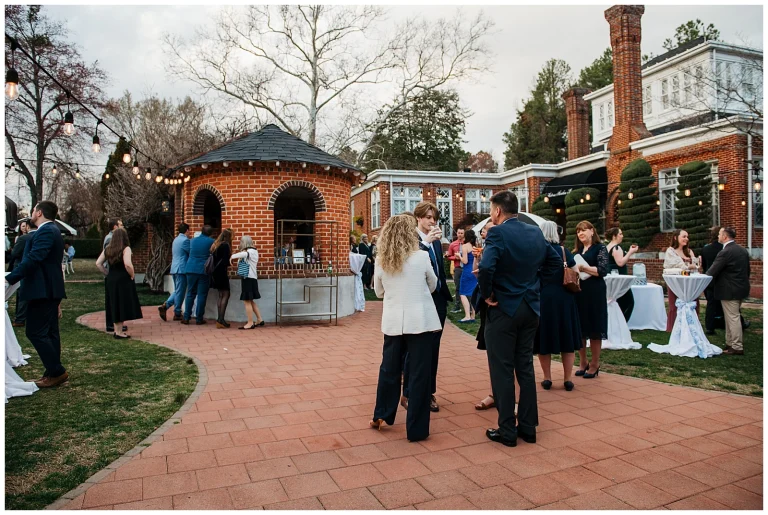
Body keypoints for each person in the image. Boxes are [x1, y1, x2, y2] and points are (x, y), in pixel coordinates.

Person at [478, 191, 558, 447]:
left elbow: (488, 267)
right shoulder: (535, 232)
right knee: (524, 367)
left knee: (501, 369)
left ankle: (507, 430)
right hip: (530, 308)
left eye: (491, 210)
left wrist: (488, 293)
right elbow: (556, 262)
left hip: (504, 309)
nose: (491, 215)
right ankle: (528, 428)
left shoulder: (498, 232)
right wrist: (534, 286)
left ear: (498, 211)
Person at [370, 214, 440, 442]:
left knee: (389, 370)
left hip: (393, 322)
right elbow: (433, 284)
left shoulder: (382, 260)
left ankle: (382, 415)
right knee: (419, 374)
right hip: (420, 321)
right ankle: (417, 429)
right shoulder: (421, 256)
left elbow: (378, 292)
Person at [5, 201, 68, 388]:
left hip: (42, 290)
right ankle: (52, 372)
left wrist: (10, 278)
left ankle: (56, 371)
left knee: (35, 332)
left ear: (39, 213)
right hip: (47, 289)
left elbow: (34, 258)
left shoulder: (47, 231)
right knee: (50, 333)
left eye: (33, 210)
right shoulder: (52, 230)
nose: (31, 213)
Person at [401, 202, 453, 413]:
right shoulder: (410, 239)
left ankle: (429, 392)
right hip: (418, 301)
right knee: (414, 349)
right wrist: (424, 243)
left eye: (435, 218)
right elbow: (407, 265)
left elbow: (438, 272)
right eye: (429, 217)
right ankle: (408, 393)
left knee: (433, 349)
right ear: (418, 218)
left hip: (437, 300)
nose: (432, 222)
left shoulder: (436, 242)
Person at [535, 221, 582, 392]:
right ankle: (567, 379)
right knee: (567, 338)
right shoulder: (564, 251)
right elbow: (576, 271)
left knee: (544, 339)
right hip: (564, 298)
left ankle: (547, 378)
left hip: (544, 299)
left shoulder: (538, 252)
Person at [573, 221, 609, 379]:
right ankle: (583, 361)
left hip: (595, 292)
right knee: (580, 328)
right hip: (580, 293)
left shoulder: (600, 249)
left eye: (584, 230)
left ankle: (595, 363)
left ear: (592, 231)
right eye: (578, 231)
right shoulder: (577, 251)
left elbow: (602, 270)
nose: (581, 233)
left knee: (595, 328)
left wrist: (584, 268)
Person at [707, 227, 751, 355]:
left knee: (732, 317)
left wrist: (704, 280)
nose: (718, 236)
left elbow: (713, 270)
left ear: (725, 237)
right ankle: (730, 343)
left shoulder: (725, 252)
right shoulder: (742, 250)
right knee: (731, 317)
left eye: (720, 234)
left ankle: (736, 346)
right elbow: (747, 271)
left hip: (729, 290)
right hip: (741, 288)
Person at [96, 228, 143, 339]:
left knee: (114, 303)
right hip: (123, 279)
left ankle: (117, 331)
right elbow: (127, 264)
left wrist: (108, 273)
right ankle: (119, 332)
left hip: (111, 279)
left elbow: (98, 263)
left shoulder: (108, 249)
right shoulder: (126, 249)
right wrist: (132, 274)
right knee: (122, 304)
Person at [473, 221, 497, 411]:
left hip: (497, 302)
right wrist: (477, 259)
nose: (484, 232)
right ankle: (494, 392)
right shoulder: (485, 249)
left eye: (487, 229)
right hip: (486, 304)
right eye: (483, 230)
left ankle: (509, 396)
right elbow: (478, 273)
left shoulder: (500, 247)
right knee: (492, 351)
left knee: (506, 354)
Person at [663, 229, 700, 332]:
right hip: (676, 283)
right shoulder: (670, 251)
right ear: (676, 237)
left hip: (689, 283)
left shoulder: (689, 251)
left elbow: (695, 265)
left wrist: (694, 265)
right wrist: (689, 266)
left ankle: (691, 327)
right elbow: (677, 265)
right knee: (675, 305)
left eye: (687, 237)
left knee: (692, 303)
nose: (686, 239)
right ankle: (675, 328)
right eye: (684, 236)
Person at [230, 235, 265, 329]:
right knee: (251, 300)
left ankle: (250, 323)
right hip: (252, 278)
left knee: (246, 301)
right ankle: (259, 319)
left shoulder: (250, 251)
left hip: (248, 278)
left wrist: (232, 257)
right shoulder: (253, 251)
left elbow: (242, 255)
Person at [158, 224, 191, 322]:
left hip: (175, 268)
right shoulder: (185, 241)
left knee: (177, 290)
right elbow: (191, 252)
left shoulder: (176, 240)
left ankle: (166, 305)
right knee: (180, 291)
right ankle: (177, 312)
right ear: (187, 230)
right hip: (182, 268)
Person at [183, 225, 215, 325]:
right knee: (201, 294)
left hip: (191, 268)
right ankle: (199, 318)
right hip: (203, 269)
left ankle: (186, 317)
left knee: (190, 293)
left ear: (201, 231)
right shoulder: (211, 241)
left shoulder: (192, 240)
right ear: (210, 233)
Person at [605, 227, 637, 320]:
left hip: (611, 277)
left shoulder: (607, 247)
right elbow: (620, 262)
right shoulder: (616, 247)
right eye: (620, 234)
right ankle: (622, 322)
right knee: (629, 302)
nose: (622, 236)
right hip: (619, 278)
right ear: (614, 236)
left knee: (616, 301)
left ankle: (615, 321)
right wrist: (630, 252)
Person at [10, 220, 33, 327]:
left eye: (25, 226)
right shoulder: (37, 237)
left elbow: (14, 253)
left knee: (21, 292)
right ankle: (22, 316)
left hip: (21, 265)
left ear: (28, 227)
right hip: (31, 267)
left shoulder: (23, 238)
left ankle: (20, 318)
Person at [102, 218, 124, 333]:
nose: (122, 226)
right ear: (115, 227)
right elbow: (105, 258)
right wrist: (108, 273)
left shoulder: (115, 238)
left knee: (116, 300)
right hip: (111, 273)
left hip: (114, 274)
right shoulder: (110, 239)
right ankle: (111, 324)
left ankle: (116, 323)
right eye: (121, 224)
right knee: (111, 300)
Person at [210, 228, 233, 328]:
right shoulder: (225, 245)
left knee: (220, 295)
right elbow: (225, 261)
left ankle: (219, 319)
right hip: (222, 272)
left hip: (215, 272)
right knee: (226, 294)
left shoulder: (216, 245)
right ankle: (221, 319)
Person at [458, 229, 478, 323]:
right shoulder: (475, 246)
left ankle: (467, 316)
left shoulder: (465, 246)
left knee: (463, 293)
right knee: (473, 293)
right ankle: (473, 315)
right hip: (474, 270)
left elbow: (465, 261)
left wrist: (459, 256)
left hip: (467, 271)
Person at [446, 227, 465, 314]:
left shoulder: (467, 244)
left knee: (468, 286)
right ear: (456, 233)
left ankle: (470, 306)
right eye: (459, 233)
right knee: (458, 287)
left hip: (466, 268)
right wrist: (455, 257)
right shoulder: (453, 244)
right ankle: (457, 305)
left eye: (462, 233)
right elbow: (449, 256)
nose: (460, 234)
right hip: (458, 268)